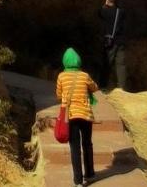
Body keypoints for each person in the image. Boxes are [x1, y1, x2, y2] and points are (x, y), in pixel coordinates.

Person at [56, 47, 98, 187]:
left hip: (70, 116)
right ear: (78, 61)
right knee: (87, 144)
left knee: (75, 147)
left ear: (65, 62)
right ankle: (90, 174)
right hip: (85, 114)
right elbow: (94, 88)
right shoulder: (84, 75)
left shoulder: (61, 76)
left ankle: (78, 181)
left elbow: (58, 95)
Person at [99, 0, 126, 89]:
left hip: (110, 42)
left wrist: (105, 5)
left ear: (108, 1)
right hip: (121, 41)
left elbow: (100, 13)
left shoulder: (105, 12)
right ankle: (122, 87)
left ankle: (103, 86)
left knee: (107, 63)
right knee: (121, 65)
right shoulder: (121, 12)